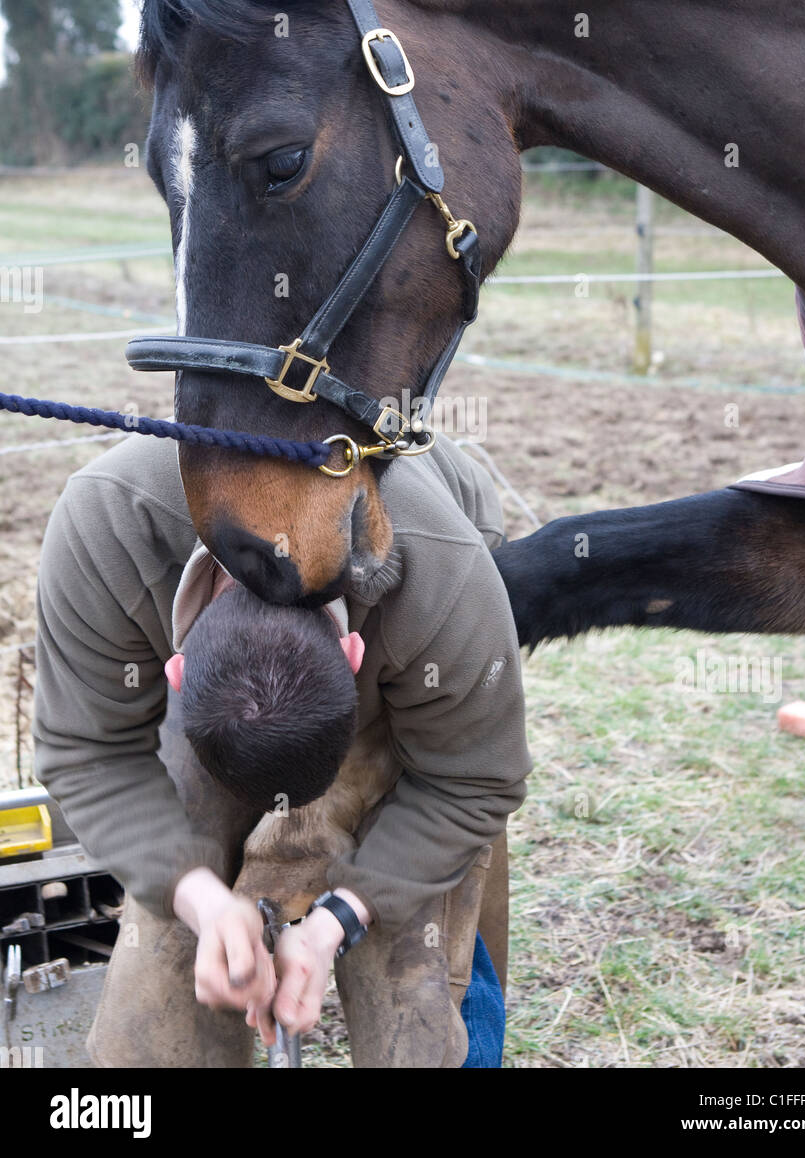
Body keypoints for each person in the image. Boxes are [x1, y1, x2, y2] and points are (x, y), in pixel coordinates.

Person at [33, 431, 532, 1068]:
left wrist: (338, 922)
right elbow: (87, 751)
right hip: (231, 670)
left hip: (417, 628)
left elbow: (471, 782)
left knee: (421, 978)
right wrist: (199, 898)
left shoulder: (448, 581)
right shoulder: (108, 525)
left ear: (357, 659)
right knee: (162, 981)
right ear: (175, 672)